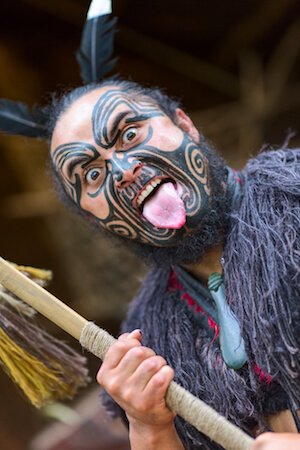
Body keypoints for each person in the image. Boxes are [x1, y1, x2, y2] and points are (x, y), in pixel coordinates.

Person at [0, 1, 299, 448]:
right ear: (93, 220)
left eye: (129, 134)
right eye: (93, 175)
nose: (121, 169)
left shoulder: (293, 196)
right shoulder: (152, 331)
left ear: (185, 125)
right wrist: (149, 425)